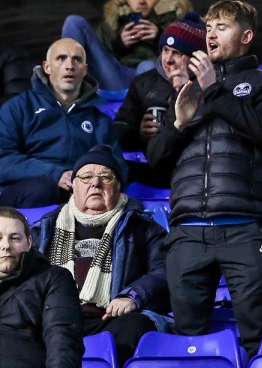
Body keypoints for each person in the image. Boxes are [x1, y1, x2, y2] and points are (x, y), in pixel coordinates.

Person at [146, 0, 262, 358]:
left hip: (245, 227)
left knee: (257, 335)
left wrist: (213, 89)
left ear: (246, 36)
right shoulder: (187, 89)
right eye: (208, 28)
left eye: (221, 27)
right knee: (186, 341)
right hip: (188, 231)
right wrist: (178, 123)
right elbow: (154, 159)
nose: (211, 34)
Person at [32, 145, 170, 366]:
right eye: (85, 177)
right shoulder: (45, 229)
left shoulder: (143, 227)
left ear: (118, 187)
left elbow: (165, 271)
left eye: (105, 177)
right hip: (55, 319)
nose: (95, 183)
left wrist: (132, 296)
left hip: (110, 319)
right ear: (73, 188)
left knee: (136, 326)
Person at [0, 38, 123, 208]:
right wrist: (55, 174)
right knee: (43, 189)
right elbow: (3, 160)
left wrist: (89, 180)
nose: (70, 65)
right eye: (61, 58)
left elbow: (118, 167)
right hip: (25, 189)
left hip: (78, 191)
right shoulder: (18, 108)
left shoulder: (99, 120)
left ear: (85, 70)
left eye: (77, 60)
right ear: (47, 67)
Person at [112, 14, 206, 185]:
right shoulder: (143, 83)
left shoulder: (208, 84)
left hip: (196, 169)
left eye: (176, 53)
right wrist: (138, 132)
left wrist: (184, 91)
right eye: (165, 50)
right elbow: (118, 131)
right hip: (156, 167)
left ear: (194, 57)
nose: (168, 59)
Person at [61, 0, 192, 91]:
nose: (141, 1)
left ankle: (143, 106)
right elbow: (99, 56)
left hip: (152, 79)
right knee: (74, 22)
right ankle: (65, 86)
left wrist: (160, 37)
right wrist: (120, 44)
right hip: (114, 76)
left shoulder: (177, 19)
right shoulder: (113, 20)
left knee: (146, 66)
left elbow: (189, 54)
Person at [0, 207, 83, 368]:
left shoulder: (54, 278)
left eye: (15, 238)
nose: (6, 246)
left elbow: (63, 339)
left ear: (29, 242)